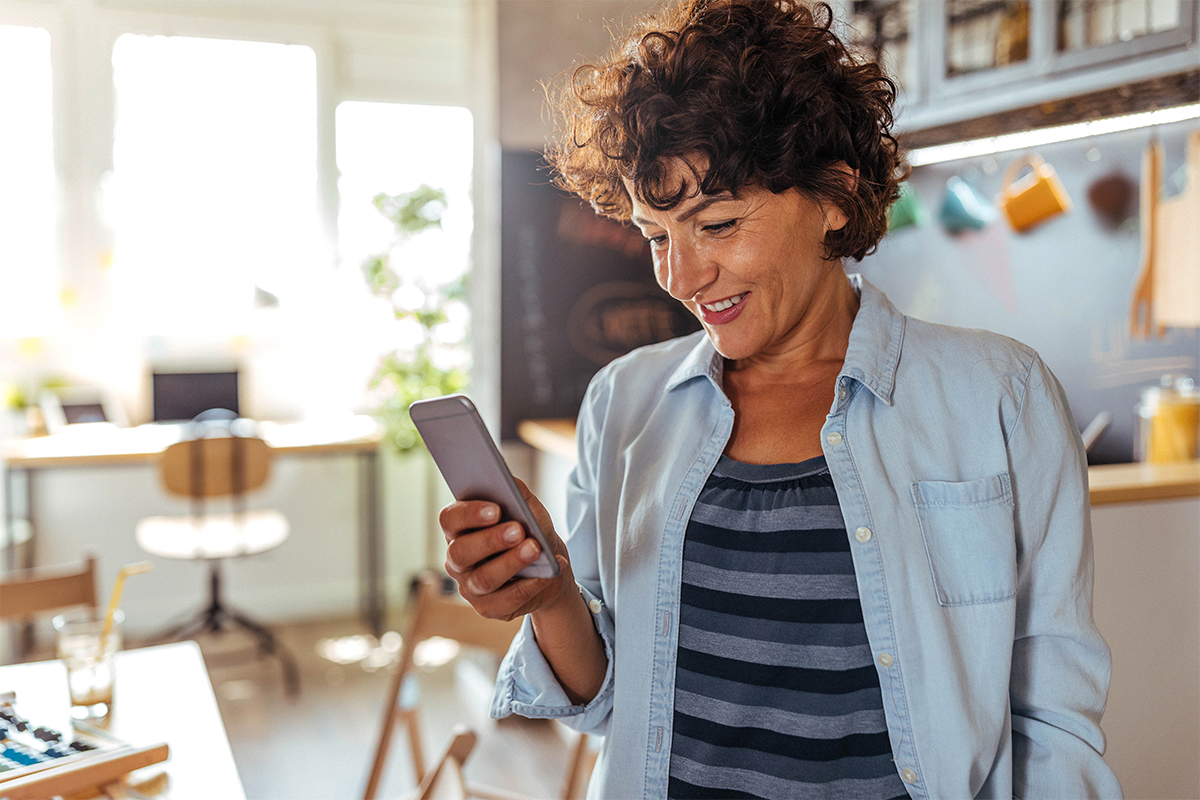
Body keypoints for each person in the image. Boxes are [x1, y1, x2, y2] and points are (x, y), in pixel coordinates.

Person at [440, 1, 1123, 797]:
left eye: (719, 224)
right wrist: (551, 592)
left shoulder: (1000, 398)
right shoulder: (624, 404)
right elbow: (605, 702)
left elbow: (1054, 723)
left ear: (834, 195)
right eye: (658, 236)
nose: (680, 278)